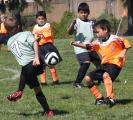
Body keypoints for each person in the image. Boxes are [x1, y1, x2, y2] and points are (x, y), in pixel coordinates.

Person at [71, 19, 131, 106]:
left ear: (105, 30)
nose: (96, 34)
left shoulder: (115, 38)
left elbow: (126, 43)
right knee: (87, 79)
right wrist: (76, 44)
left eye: (97, 32)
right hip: (104, 65)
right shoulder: (98, 42)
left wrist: (123, 52)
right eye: (95, 32)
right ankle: (99, 98)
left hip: (115, 63)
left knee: (105, 75)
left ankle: (111, 98)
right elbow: (88, 46)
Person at [1, 17, 54, 116]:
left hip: (31, 65)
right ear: (18, 26)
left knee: (24, 68)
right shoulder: (26, 33)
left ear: (6, 30)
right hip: (36, 64)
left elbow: (12, 48)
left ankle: (19, 91)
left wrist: (36, 57)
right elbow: (34, 43)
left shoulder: (9, 42)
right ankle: (48, 111)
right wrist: (37, 57)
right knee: (37, 89)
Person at [67, 2, 101, 88]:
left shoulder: (90, 22)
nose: (83, 14)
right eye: (81, 12)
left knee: (100, 64)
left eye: (85, 12)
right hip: (80, 46)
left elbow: (96, 30)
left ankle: (101, 80)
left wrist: (95, 23)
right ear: (78, 13)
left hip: (90, 46)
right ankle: (77, 83)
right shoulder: (76, 22)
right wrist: (72, 23)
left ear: (88, 13)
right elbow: (69, 32)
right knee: (86, 63)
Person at [32, 11, 62, 86]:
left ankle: (55, 80)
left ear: (45, 19)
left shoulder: (47, 25)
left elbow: (47, 34)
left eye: (42, 18)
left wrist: (39, 36)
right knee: (42, 65)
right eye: (39, 19)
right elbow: (34, 36)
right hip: (40, 48)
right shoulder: (35, 27)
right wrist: (36, 39)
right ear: (36, 20)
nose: (41, 20)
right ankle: (43, 82)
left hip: (48, 46)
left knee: (51, 63)